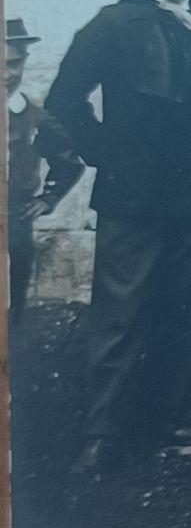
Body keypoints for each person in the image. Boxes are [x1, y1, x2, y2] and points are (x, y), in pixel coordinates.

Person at [47, 0, 191, 473]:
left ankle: (165, 420)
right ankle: (103, 430)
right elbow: (64, 99)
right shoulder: (112, 23)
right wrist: (106, 151)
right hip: (131, 193)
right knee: (121, 310)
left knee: (182, 308)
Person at [7, 18, 85, 324]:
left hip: (14, 227)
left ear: (24, 63)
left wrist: (47, 198)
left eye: (13, 64)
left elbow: (68, 163)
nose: (5, 74)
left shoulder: (36, 117)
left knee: (11, 306)